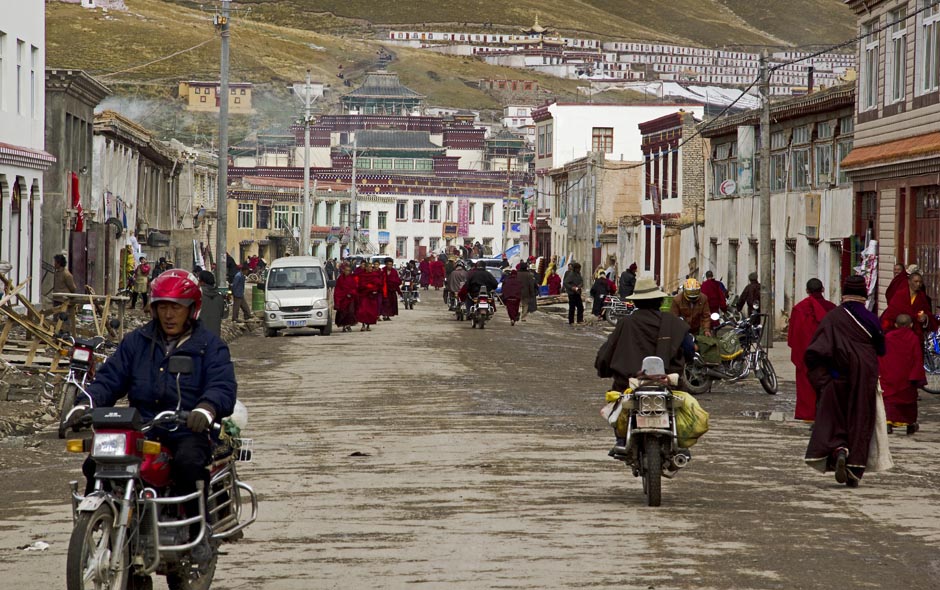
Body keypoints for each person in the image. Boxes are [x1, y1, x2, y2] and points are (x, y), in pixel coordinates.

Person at [73, 269, 236, 556]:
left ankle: (200, 533)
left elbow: (222, 385)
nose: (168, 315)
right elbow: (111, 379)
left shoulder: (209, 346)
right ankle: (104, 523)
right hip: (142, 427)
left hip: (187, 429)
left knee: (188, 464)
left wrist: (205, 409)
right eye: (162, 306)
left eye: (176, 307)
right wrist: (87, 404)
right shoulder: (136, 342)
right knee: (95, 463)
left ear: (192, 310)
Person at [804, 275, 887, 488]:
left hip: (836, 378)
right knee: (860, 421)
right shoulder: (871, 319)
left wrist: (825, 378)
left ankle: (840, 449)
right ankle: (854, 469)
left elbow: (814, 352)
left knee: (835, 420)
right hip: (863, 380)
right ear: (864, 293)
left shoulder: (832, 318)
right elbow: (881, 349)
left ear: (844, 292)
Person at [595, 277, 694, 452]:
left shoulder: (625, 323)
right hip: (667, 383)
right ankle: (679, 443)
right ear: (661, 301)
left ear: (636, 302)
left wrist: (603, 369)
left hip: (630, 383)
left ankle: (621, 440)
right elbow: (689, 350)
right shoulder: (675, 324)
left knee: (619, 405)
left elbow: (607, 352)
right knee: (681, 405)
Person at [787, 278, 836, 422]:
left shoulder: (800, 308)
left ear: (807, 291)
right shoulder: (831, 308)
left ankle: (808, 414)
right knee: (828, 382)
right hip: (827, 353)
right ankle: (827, 414)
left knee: (806, 383)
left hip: (806, 352)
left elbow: (793, 335)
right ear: (823, 290)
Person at [879, 314, 928, 435]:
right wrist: (917, 377)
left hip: (890, 376)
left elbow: (881, 357)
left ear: (895, 325)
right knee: (909, 402)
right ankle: (910, 424)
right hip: (907, 378)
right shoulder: (913, 338)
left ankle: (888, 423)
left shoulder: (888, 337)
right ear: (911, 325)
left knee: (890, 401)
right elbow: (917, 358)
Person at [881, 270, 938, 342]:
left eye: (920, 282)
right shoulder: (900, 295)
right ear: (909, 282)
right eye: (916, 281)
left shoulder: (922, 297)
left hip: (915, 334)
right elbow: (891, 313)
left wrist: (925, 317)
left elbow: (927, 312)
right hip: (898, 332)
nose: (918, 284)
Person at [355, 262, 382, 331]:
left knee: (371, 311)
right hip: (364, 296)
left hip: (372, 296)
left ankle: (368, 325)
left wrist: (374, 289)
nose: (371, 268)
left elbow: (378, 284)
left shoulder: (374, 275)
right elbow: (359, 285)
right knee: (363, 311)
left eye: (371, 267)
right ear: (366, 268)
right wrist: (368, 287)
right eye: (369, 267)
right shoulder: (362, 275)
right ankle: (363, 325)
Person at [197, 270, 225, 337]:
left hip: (199, 337)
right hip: (214, 337)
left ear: (202, 282)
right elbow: (222, 314)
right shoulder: (219, 297)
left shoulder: (197, 297)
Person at [333, 263, 359, 332]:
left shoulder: (352, 278)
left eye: (349, 271)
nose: (347, 272)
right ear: (343, 270)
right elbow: (338, 289)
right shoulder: (340, 279)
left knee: (350, 312)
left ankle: (348, 325)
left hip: (350, 299)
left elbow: (355, 288)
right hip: (343, 299)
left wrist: (351, 293)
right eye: (346, 270)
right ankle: (344, 326)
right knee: (343, 313)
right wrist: (343, 295)